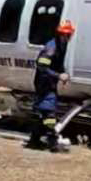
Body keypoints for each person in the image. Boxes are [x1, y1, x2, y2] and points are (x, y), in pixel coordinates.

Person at [26, 20, 75, 152]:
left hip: (49, 83)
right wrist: (58, 76)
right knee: (49, 113)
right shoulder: (51, 48)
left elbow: (57, 64)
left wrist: (62, 72)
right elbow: (42, 67)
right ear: (60, 34)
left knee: (45, 112)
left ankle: (34, 140)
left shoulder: (61, 46)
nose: (68, 37)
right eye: (66, 34)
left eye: (69, 35)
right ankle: (52, 141)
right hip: (44, 84)